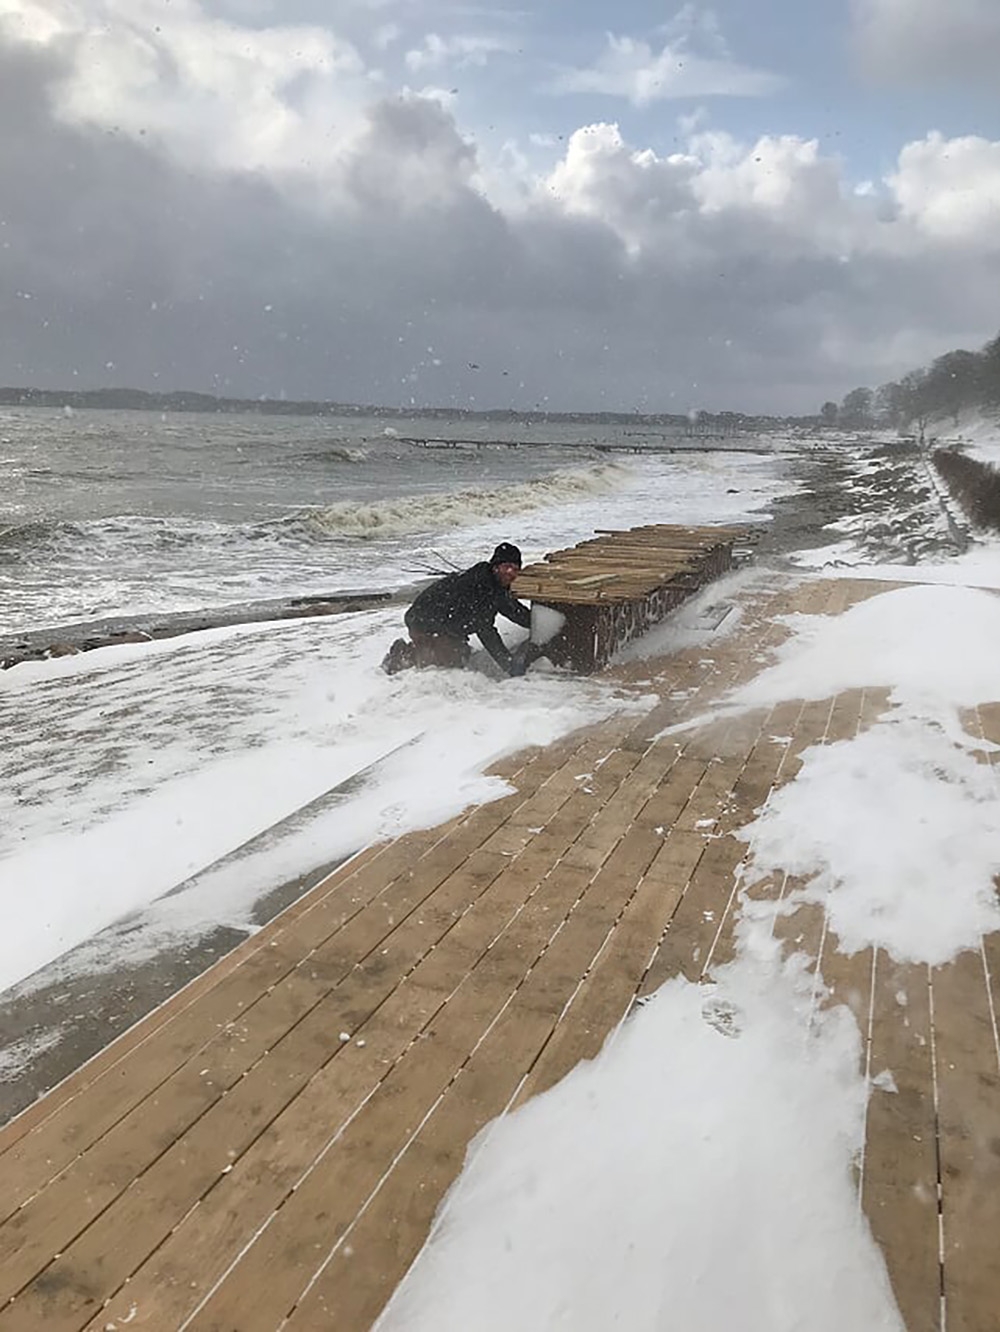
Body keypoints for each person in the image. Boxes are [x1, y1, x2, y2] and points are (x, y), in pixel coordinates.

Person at [383, 542, 537, 677]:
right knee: (443, 667)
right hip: (423, 622)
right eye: (506, 567)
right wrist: (509, 665)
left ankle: (429, 646)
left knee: (461, 655)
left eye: (515, 569)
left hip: (447, 624)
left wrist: (537, 625)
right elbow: (485, 631)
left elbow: (513, 610)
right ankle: (402, 654)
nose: (511, 572)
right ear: (495, 567)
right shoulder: (479, 585)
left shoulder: (496, 585)